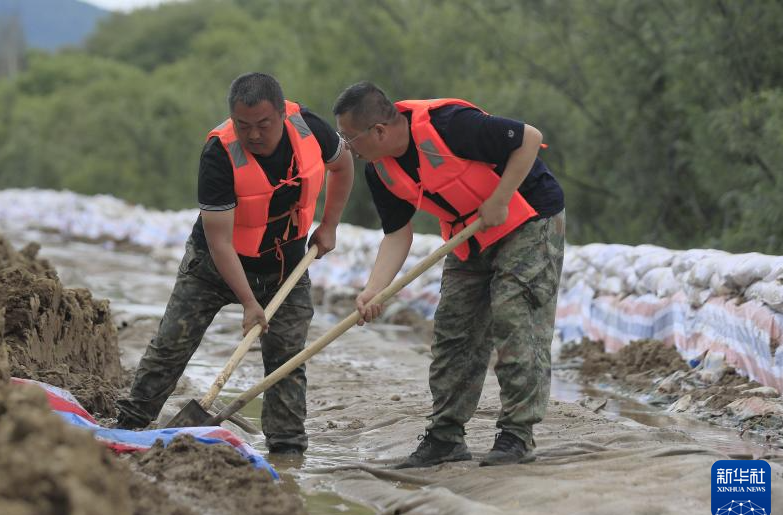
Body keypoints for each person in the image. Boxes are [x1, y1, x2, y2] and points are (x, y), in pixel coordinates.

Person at [115, 73, 354, 455]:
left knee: (287, 360)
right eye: (244, 125)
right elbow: (220, 242)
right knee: (170, 346)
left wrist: (329, 225)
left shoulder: (308, 127)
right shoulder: (219, 155)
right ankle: (128, 427)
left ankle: (287, 451)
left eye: (263, 124)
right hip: (214, 267)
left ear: (282, 113)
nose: (254, 135)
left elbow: (342, 166)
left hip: (285, 266)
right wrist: (248, 302)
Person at [332, 81, 565, 467]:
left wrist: (501, 199)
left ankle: (517, 435)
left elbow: (529, 139)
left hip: (526, 219)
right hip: (469, 234)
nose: (347, 148)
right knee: (453, 332)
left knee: (514, 319)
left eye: (349, 137)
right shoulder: (380, 171)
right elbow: (397, 234)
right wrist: (375, 289)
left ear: (379, 131)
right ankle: (445, 437)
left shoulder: (450, 125)